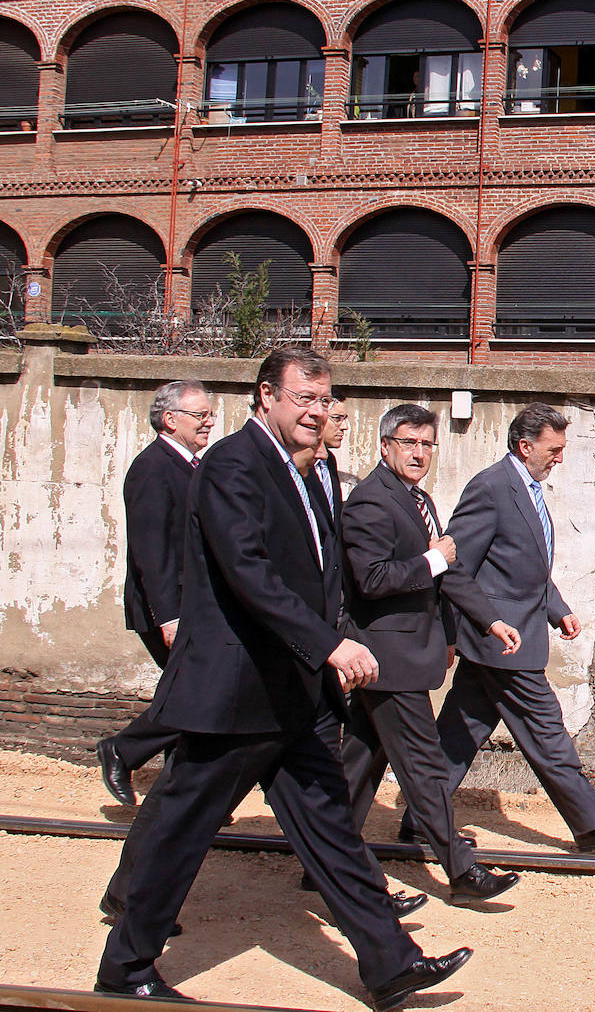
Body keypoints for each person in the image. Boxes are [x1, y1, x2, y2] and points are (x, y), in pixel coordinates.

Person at [95, 347, 470, 1011]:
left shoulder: (309, 470)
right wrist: (330, 646)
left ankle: (390, 962)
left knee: (331, 830)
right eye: (304, 398)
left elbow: (321, 574)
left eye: (325, 401)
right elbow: (250, 574)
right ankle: (127, 970)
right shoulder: (232, 465)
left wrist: (338, 640)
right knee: (180, 834)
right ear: (266, 397)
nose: (317, 412)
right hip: (234, 694)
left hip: (292, 696)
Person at [417, 403, 595, 852]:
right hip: (502, 641)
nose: (559, 458)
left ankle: (420, 817)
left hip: (512, 635)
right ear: (525, 447)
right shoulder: (491, 488)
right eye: (553, 449)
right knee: (547, 731)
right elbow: (455, 564)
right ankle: (592, 824)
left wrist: (556, 608)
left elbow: (525, 566)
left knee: (459, 733)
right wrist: (487, 621)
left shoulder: (526, 489)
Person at [339, 403, 524, 905]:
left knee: (356, 769)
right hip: (386, 656)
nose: (419, 453)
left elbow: (451, 573)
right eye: (408, 442)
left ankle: (327, 868)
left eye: (427, 444)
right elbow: (373, 579)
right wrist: (432, 557)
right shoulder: (371, 502)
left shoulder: (415, 499)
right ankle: (462, 873)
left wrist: (489, 620)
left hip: (402, 655)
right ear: (385, 446)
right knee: (423, 769)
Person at [97, 381, 215, 807]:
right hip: (170, 608)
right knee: (198, 693)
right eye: (199, 415)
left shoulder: (192, 465)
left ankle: (177, 795)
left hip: (195, 606)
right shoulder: (152, 467)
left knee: (191, 695)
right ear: (170, 420)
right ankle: (123, 750)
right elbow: (151, 549)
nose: (209, 421)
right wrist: (168, 615)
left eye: (209, 413)